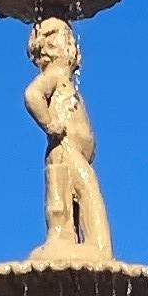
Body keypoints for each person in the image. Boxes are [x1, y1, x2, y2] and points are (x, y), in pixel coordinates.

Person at [23, 15, 113, 260]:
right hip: (64, 148)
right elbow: (32, 95)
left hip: (74, 151)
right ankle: (93, 245)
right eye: (69, 40)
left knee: (74, 196)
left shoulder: (66, 82)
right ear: (53, 47)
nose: (75, 47)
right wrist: (50, 125)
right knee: (83, 194)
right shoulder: (53, 76)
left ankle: (79, 243)